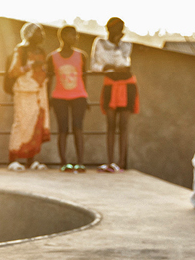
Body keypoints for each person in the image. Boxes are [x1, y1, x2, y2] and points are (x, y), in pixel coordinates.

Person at [91, 17, 135, 172]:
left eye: (122, 29)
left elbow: (124, 65)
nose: (120, 32)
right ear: (109, 29)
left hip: (127, 84)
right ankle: (110, 162)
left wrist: (116, 48)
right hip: (110, 85)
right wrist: (108, 67)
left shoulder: (126, 45)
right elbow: (95, 66)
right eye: (117, 28)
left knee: (123, 125)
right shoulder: (99, 43)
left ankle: (121, 163)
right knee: (110, 124)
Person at [5, 24, 49, 171]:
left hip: (38, 92)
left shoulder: (41, 51)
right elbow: (13, 71)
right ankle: (14, 159)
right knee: (21, 123)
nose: (41, 35)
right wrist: (31, 66)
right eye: (38, 32)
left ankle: (32, 160)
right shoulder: (20, 50)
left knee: (36, 124)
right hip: (23, 91)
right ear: (29, 34)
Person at [46, 24, 88, 171]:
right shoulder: (52, 57)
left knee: (78, 127)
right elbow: (49, 80)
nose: (75, 38)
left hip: (79, 96)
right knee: (63, 129)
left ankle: (80, 162)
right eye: (72, 35)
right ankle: (64, 163)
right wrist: (47, 99)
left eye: (76, 35)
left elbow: (84, 78)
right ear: (63, 37)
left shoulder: (81, 56)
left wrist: (85, 96)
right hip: (59, 97)